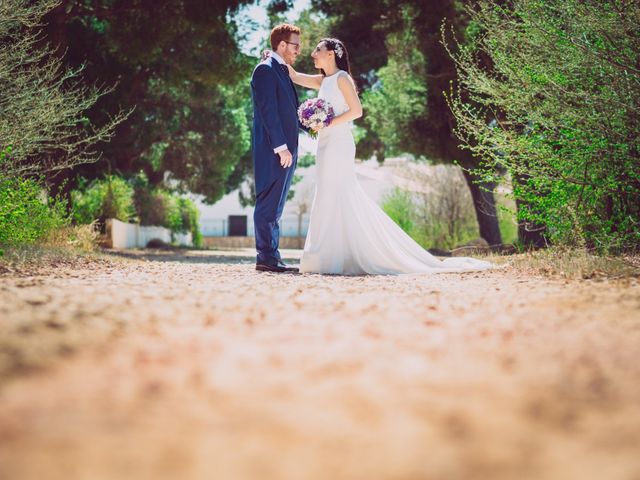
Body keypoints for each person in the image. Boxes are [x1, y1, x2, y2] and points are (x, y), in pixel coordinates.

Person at [286, 38, 494, 275]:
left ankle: (338, 255)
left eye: (317, 50)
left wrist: (328, 121)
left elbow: (357, 111)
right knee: (325, 191)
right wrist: (277, 58)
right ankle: (328, 255)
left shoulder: (342, 78)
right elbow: (294, 76)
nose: (313, 54)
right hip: (324, 144)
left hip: (339, 144)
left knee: (339, 190)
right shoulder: (324, 80)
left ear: (331, 54)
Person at [250, 23, 303, 273]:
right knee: (268, 204)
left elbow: (287, 111)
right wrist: (281, 147)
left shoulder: (279, 69)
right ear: (281, 45)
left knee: (276, 206)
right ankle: (266, 258)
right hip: (273, 150)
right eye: (295, 45)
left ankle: (272, 256)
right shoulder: (265, 70)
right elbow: (268, 112)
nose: (298, 50)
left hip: (286, 151)